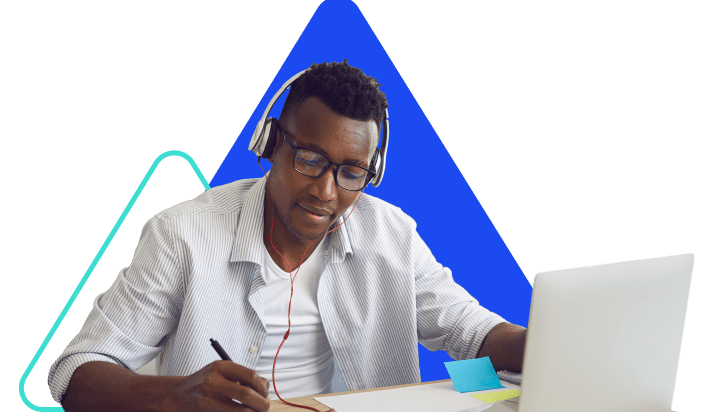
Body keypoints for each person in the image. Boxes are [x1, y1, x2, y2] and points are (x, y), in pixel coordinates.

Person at [48, 60, 527, 412]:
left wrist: (544, 344)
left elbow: (471, 331)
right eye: (311, 160)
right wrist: (177, 395)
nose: (325, 191)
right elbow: (74, 374)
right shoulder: (182, 235)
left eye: (350, 173)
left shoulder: (391, 235)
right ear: (271, 143)